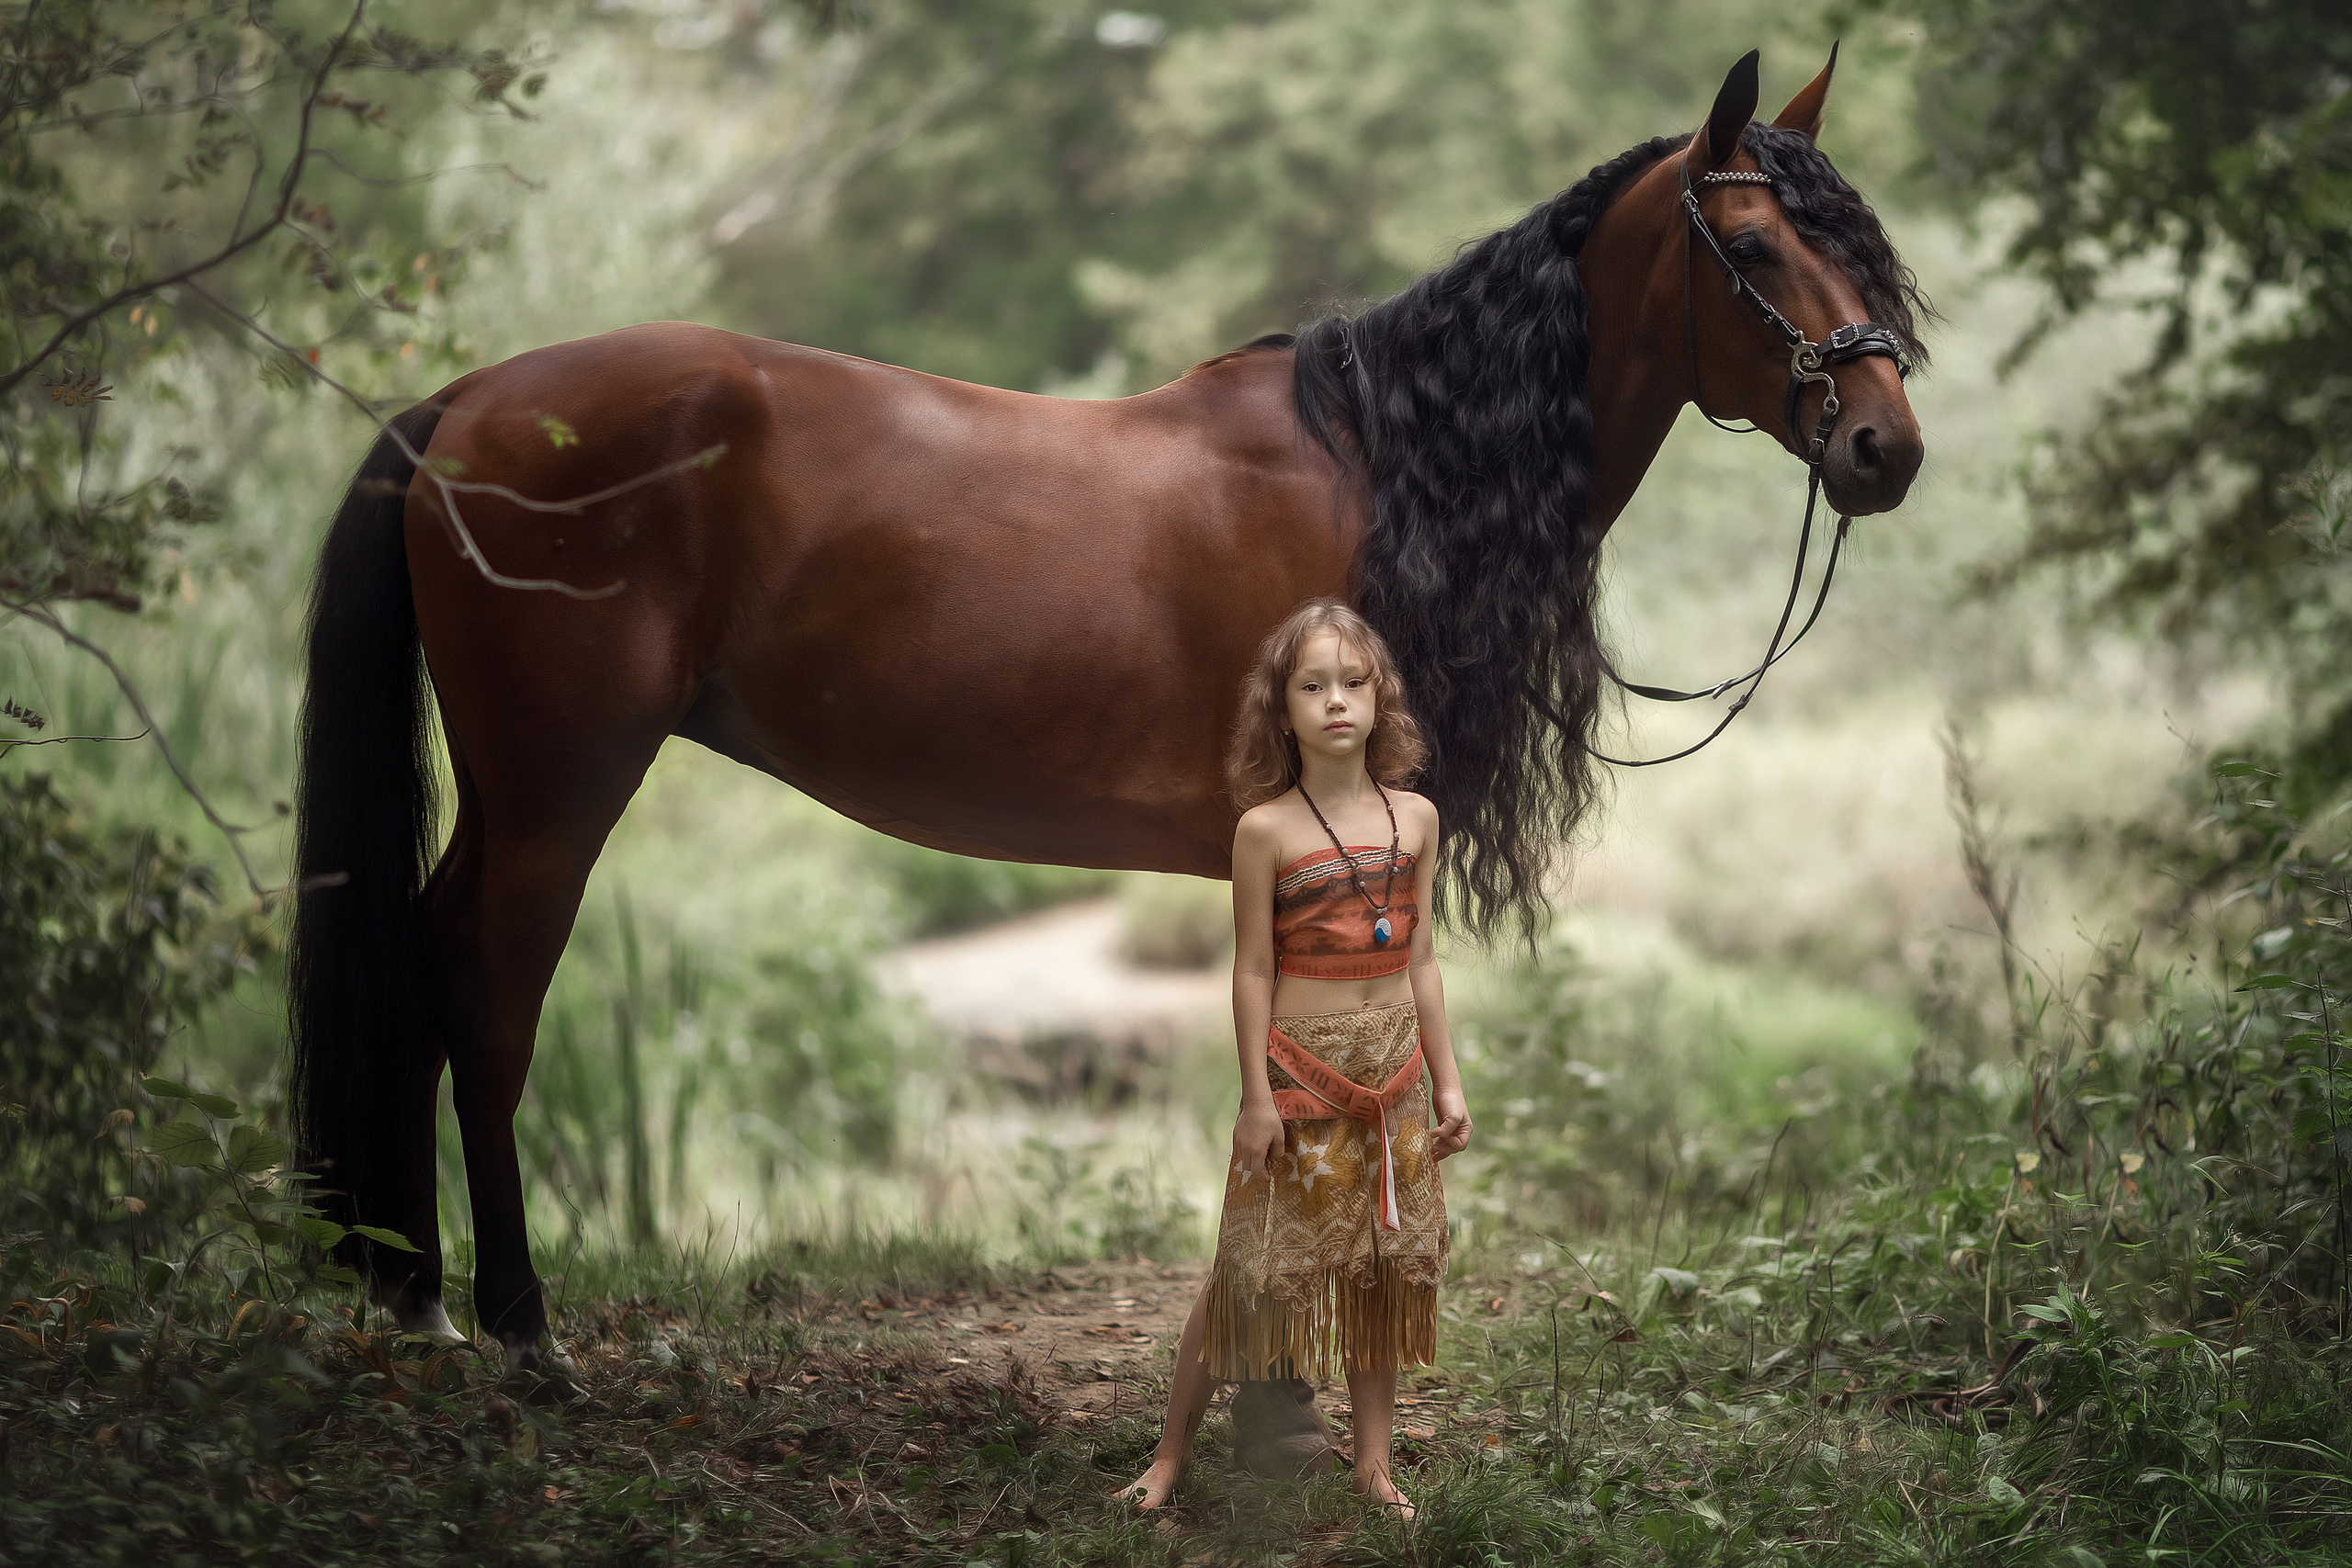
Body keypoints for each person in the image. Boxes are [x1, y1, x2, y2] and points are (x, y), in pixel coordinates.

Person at [1117, 598, 1473, 1517]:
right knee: (1244, 1269)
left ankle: (1370, 1463)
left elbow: (1423, 959)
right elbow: (1251, 968)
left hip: (1392, 1073)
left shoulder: (1418, 819)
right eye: (1312, 686)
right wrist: (1255, 1097)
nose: (1335, 702)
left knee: (1379, 1274)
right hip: (1300, 1075)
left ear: (1380, 697)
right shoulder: (1265, 829)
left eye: (1353, 683)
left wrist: (1448, 1082)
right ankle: (1167, 1456)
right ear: (1281, 709)